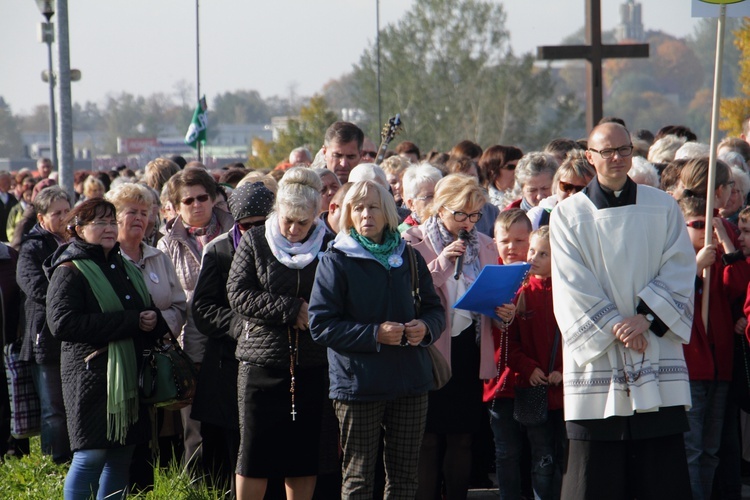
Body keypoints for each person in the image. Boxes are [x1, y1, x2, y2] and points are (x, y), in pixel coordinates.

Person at [550, 122, 696, 499]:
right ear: (590, 157)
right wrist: (618, 326)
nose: (616, 158)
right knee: (594, 478)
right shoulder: (568, 215)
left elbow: (680, 267)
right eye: (607, 151)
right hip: (602, 359)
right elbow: (570, 284)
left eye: (624, 149)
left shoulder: (662, 206)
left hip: (652, 343)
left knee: (659, 475)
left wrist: (645, 317)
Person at [309, 180, 445, 499]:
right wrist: (375, 334)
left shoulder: (408, 255)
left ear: (387, 212)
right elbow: (321, 324)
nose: (365, 214)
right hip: (358, 384)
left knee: (404, 477)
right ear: (348, 215)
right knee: (358, 478)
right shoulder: (336, 259)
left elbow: (435, 309)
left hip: (410, 379)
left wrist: (425, 329)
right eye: (357, 208)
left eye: (372, 207)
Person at [46, 199, 170, 499]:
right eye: (99, 223)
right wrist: (130, 322)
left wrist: (154, 319)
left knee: (120, 457)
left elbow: (139, 308)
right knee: (91, 457)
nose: (109, 228)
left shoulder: (121, 265)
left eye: (112, 222)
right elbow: (61, 324)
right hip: (91, 377)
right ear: (78, 229)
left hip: (127, 376)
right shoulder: (70, 269)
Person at [226, 169, 333, 500]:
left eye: (304, 222)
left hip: (312, 363)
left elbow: (339, 297)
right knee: (255, 455)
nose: (294, 229)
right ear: (278, 212)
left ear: (316, 216)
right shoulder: (257, 240)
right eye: (289, 220)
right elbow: (238, 293)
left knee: (303, 456)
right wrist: (289, 309)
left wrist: (313, 313)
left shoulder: (329, 244)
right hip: (262, 363)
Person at [403, 173, 510, 500]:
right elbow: (406, 296)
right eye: (459, 214)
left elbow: (491, 298)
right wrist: (442, 262)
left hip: (467, 349)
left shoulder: (487, 245)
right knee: (429, 438)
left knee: (463, 436)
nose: (467, 222)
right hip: (429, 351)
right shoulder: (413, 241)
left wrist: (504, 312)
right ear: (439, 208)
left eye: (475, 214)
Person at [105, 183, 188, 489]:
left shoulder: (158, 256)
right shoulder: (106, 260)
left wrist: (160, 322)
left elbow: (179, 305)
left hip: (155, 358)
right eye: (131, 212)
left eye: (144, 212)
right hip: (119, 359)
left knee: (150, 435)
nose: (140, 218)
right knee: (125, 438)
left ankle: (144, 490)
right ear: (114, 218)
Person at [157, 167, 234, 470]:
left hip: (229, 338)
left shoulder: (234, 232)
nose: (197, 204)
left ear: (214, 199)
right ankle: (196, 487)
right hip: (189, 343)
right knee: (195, 428)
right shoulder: (167, 243)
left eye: (203, 197)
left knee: (231, 423)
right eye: (188, 201)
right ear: (176, 207)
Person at [678, 195, 735, 500]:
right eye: (698, 224)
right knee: (692, 448)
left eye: (711, 225)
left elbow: (739, 288)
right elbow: (668, 296)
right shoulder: (676, 260)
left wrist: (725, 242)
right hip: (692, 366)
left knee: (711, 450)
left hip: (720, 366)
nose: (705, 231)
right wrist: (694, 268)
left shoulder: (723, 260)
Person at [507, 226, 566, 500]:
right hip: (533, 392)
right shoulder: (519, 293)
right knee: (542, 459)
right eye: (532, 250)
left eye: (544, 253)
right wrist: (528, 368)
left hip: (567, 392)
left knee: (567, 460)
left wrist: (564, 371)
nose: (534, 257)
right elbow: (509, 345)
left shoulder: (569, 293)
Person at [16, 186, 72, 464]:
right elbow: (34, 287)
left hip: (77, 333)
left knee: (74, 403)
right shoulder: (33, 247)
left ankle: (77, 456)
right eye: (56, 213)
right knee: (53, 407)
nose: (64, 217)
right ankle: (56, 460)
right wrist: (72, 298)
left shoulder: (78, 240)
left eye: (66, 211)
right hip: (45, 335)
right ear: (41, 219)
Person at [483, 209, 532, 500]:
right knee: (506, 452)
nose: (512, 247)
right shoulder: (489, 275)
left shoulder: (540, 274)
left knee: (538, 450)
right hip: (499, 382)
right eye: (505, 241)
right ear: (494, 243)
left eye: (520, 240)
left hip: (534, 376)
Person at [526, 151, 595, 230]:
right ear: (556, 184)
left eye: (581, 189)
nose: (572, 194)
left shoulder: (602, 216)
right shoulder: (538, 217)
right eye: (566, 186)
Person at [398, 163, 443, 233]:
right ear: (411, 204)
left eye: (440, 194)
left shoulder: (451, 228)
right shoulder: (402, 235)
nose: (437, 201)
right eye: (430, 196)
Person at [479, 145, 523, 210]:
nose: (517, 171)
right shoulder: (481, 203)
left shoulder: (531, 197)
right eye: (511, 167)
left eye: (520, 166)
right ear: (492, 171)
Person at [0, 171, 18, 243]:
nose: (8, 184)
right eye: (5, 182)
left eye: (9, 182)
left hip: (9, 237)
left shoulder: (12, 198)